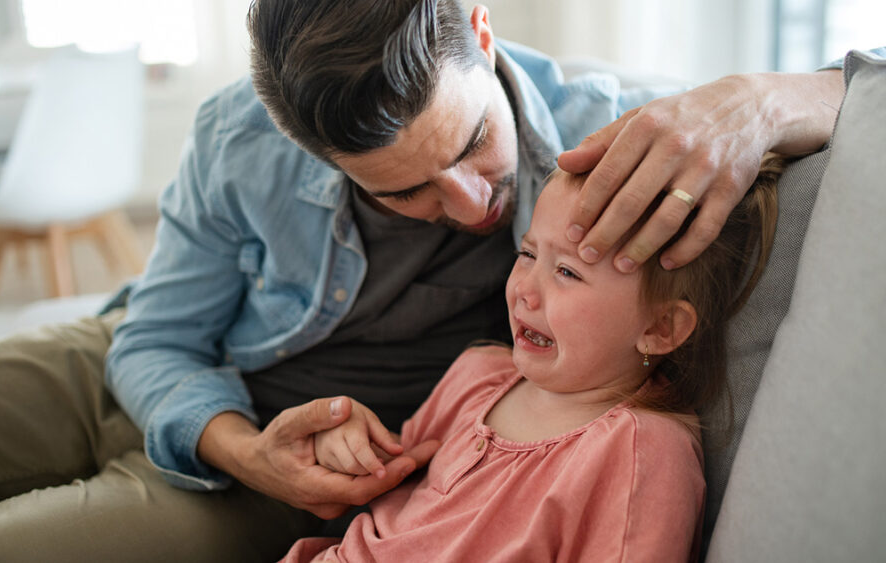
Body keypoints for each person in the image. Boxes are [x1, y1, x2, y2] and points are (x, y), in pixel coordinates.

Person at [0, 0, 886, 560]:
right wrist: (242, 446)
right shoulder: (241, 132)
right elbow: (156, 337)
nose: (475, 202)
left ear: (478, 31)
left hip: (303, 459)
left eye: (474, 145)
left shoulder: (606, 131)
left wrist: (765, 95)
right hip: (145, 368)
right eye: (405, 193)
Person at [285, 160, 781, 562]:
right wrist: (345, 445)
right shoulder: (477, 373)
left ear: (660, 328)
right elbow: (386, 486)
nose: (524, 290)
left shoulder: (640, 451)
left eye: (566, 271)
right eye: (526, 255)